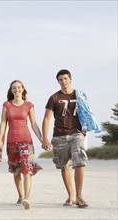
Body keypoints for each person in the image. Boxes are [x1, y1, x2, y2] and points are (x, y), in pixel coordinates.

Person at [42, 69, 89, 208]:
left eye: (65, 78)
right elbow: (47, 118)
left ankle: (79, 196)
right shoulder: (54, 97)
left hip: (77, 133)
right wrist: (45, 138)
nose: (63, 81)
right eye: (60, 79)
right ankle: (71, 195)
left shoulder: (80, 95)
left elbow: (86, 112)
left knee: (80, 160)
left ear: (70, 79)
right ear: (58, 81)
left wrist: (86, 128)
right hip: (59, 135)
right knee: (64, 166)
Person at [0, 80, 43, 210]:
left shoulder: (29, 105)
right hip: (11, 141)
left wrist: (42, 139)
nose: (16, 89)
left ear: (23, 89)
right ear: (11, 90)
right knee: (16, 171)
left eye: (18, 87)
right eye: (14, 88)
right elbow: (3, 124)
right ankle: (21, 195)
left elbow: (33, 123)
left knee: (26, 169)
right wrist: (0, 142)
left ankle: (27, 198)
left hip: (26, 141)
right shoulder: (7, 105)